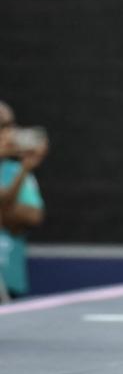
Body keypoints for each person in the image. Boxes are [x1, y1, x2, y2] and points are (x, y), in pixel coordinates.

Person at [0, 102, 47, 300]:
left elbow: (31, 217)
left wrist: (25, 168)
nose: (9, 134)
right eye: (2, 127)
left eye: (10, 126)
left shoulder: (16, 172)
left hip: (7, 279)